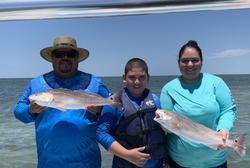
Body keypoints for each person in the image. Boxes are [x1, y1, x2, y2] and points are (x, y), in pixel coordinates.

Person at [14, 35, 110, 168]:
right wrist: (31, 111)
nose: (65, 57)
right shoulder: (36, 84)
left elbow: (112, 114)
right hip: (48, 163)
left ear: (77, 57)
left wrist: (100, 111)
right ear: (52, 57)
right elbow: (18, 112)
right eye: (59, 54)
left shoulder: (95, 83)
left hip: (88, 162)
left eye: (70, 54)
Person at [160, 40, 237, 168]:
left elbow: (229, 110)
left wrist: (223, 129)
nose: (190, 64)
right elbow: (167, 125)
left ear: (202, 62)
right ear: (179, 63)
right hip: (180, 161)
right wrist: (166, 126)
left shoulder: (216, 83)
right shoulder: (169, 89)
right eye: (185, 61)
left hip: (216, 159)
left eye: (195, 60)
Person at [96, 58, 169, 168]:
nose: (137, 82)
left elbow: (159, 132)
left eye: (141, 77)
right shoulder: (114, 103)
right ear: (124, 78)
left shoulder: (155, 100)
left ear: (147, 78)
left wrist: (166, 159)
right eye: (132, 77)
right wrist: (127, 155)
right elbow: (101, 133)